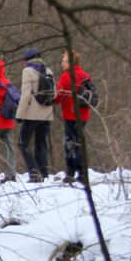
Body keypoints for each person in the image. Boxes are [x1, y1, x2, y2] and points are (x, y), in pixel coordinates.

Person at [15, 47, 55, 183]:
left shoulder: (28, 71)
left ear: (27, 59)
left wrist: (19, 114)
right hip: (46, 114)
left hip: (32, 114)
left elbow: (25, 95)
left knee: (22, 144)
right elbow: (54, 94)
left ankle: (34, 173)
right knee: (41, 144)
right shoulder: (48, 71)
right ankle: (43, 173)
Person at [54, 50, 92, 184]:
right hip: (84, 115)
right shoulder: (85, 75)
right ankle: (81, 172)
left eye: (63, 62)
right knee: (78, 142)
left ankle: (72, 172)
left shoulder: (66, 76)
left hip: (71, 114)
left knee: (70, 144)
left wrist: (50, 100)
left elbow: (58, 95)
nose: (61, 64)